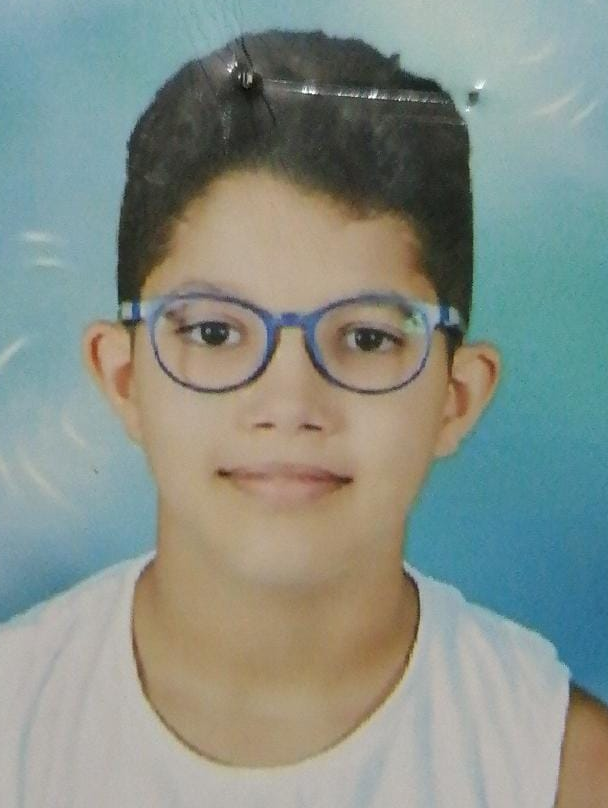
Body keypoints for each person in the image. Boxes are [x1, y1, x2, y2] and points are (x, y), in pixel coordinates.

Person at [1, 29, 607, 807]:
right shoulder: (17, 723)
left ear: (457, 398)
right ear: (124, 380)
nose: (290, 405)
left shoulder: (562, 772)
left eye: (367, 339)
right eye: (214, 333)